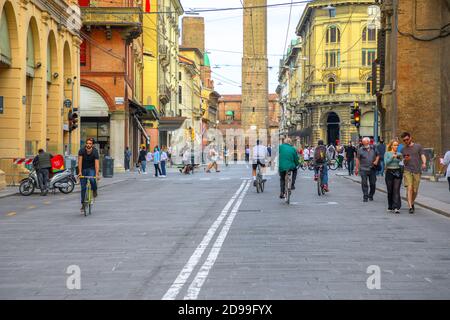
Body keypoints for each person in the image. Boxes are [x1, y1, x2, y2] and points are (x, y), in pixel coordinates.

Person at [400, 132, 427, 214]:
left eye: (407, 139)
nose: (406, 141)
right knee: (410, 188)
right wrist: (406, 160)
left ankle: (411, 202)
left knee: (415, 190)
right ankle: (410, 207)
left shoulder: (418, 146)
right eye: (404, 140)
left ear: (410, 138)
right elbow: (403, 162)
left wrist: (424, 163)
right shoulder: (403, 150)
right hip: (407, 170)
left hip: (417, 171)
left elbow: (422, 155)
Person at [355, 137, 380, 202]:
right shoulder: (360, 150)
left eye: (364, 141)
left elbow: (378, 155)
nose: (363, 143)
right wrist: (356, 168)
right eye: (363, 141)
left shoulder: (374, 148)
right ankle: (365, 196)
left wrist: (376, 161)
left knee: (373, 183)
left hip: (372, 169)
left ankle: (371, 195)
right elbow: (357, 159)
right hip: (363, 169)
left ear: (368, 142)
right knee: (364, 183)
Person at [78, 138, 99, 212]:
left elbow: (96, 163)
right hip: (83, 169)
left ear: (92, 145)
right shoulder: (82, 150)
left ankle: (94, 190)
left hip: (91, 169)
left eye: (90, 143)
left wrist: (97, 174)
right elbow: (80, 161)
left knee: (92, 180)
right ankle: (83, 204)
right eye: (87, 143)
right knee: (83, 188)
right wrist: (80, 172)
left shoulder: (95, 152)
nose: (88, 145)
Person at [384, 139, 403, 214]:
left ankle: (396, 207)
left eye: (397, 145)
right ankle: (390, 205)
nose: (396, 146)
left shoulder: (399, 154)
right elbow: (386, 163)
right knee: (390, 190)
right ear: (391, 145)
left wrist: (399, 158)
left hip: (397, 171)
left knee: (396, 190)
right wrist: (392, 157)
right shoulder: (387, 153)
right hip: (389, 172)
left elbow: (401, 162)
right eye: (394, 145)